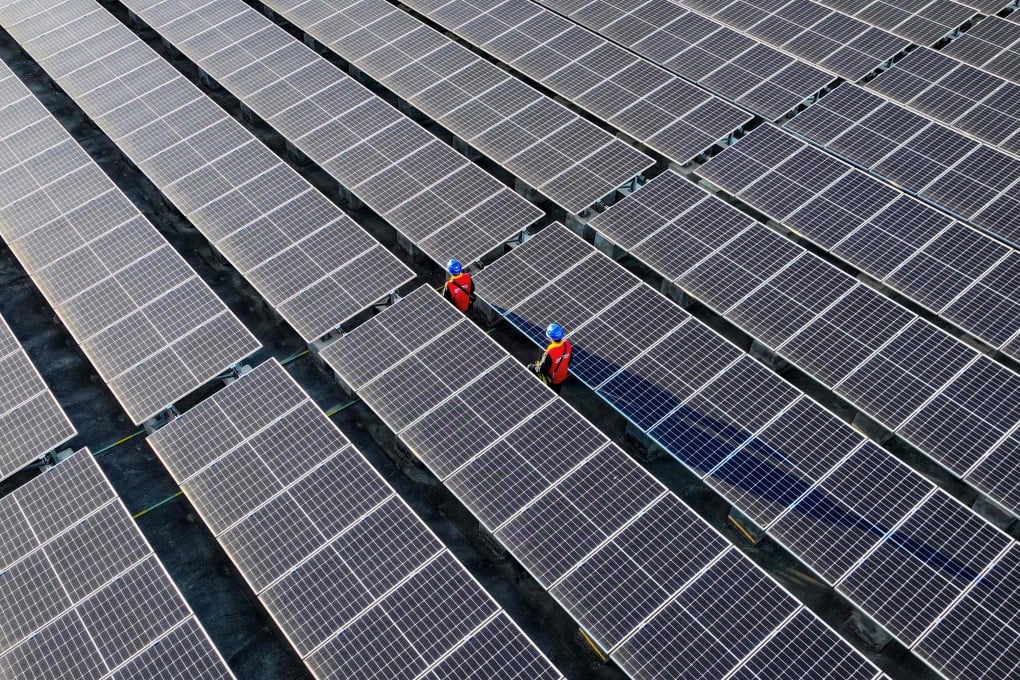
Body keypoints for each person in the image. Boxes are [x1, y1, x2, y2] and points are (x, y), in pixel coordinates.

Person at [532, 323, 572, 394]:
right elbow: (570, 359)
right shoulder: (567, 344)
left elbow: (541, 369)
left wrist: (533, 367)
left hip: (552, 379)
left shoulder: (550, 352)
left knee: (550, 394)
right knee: (556, 394)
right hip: (562, 375)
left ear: (550, 338)